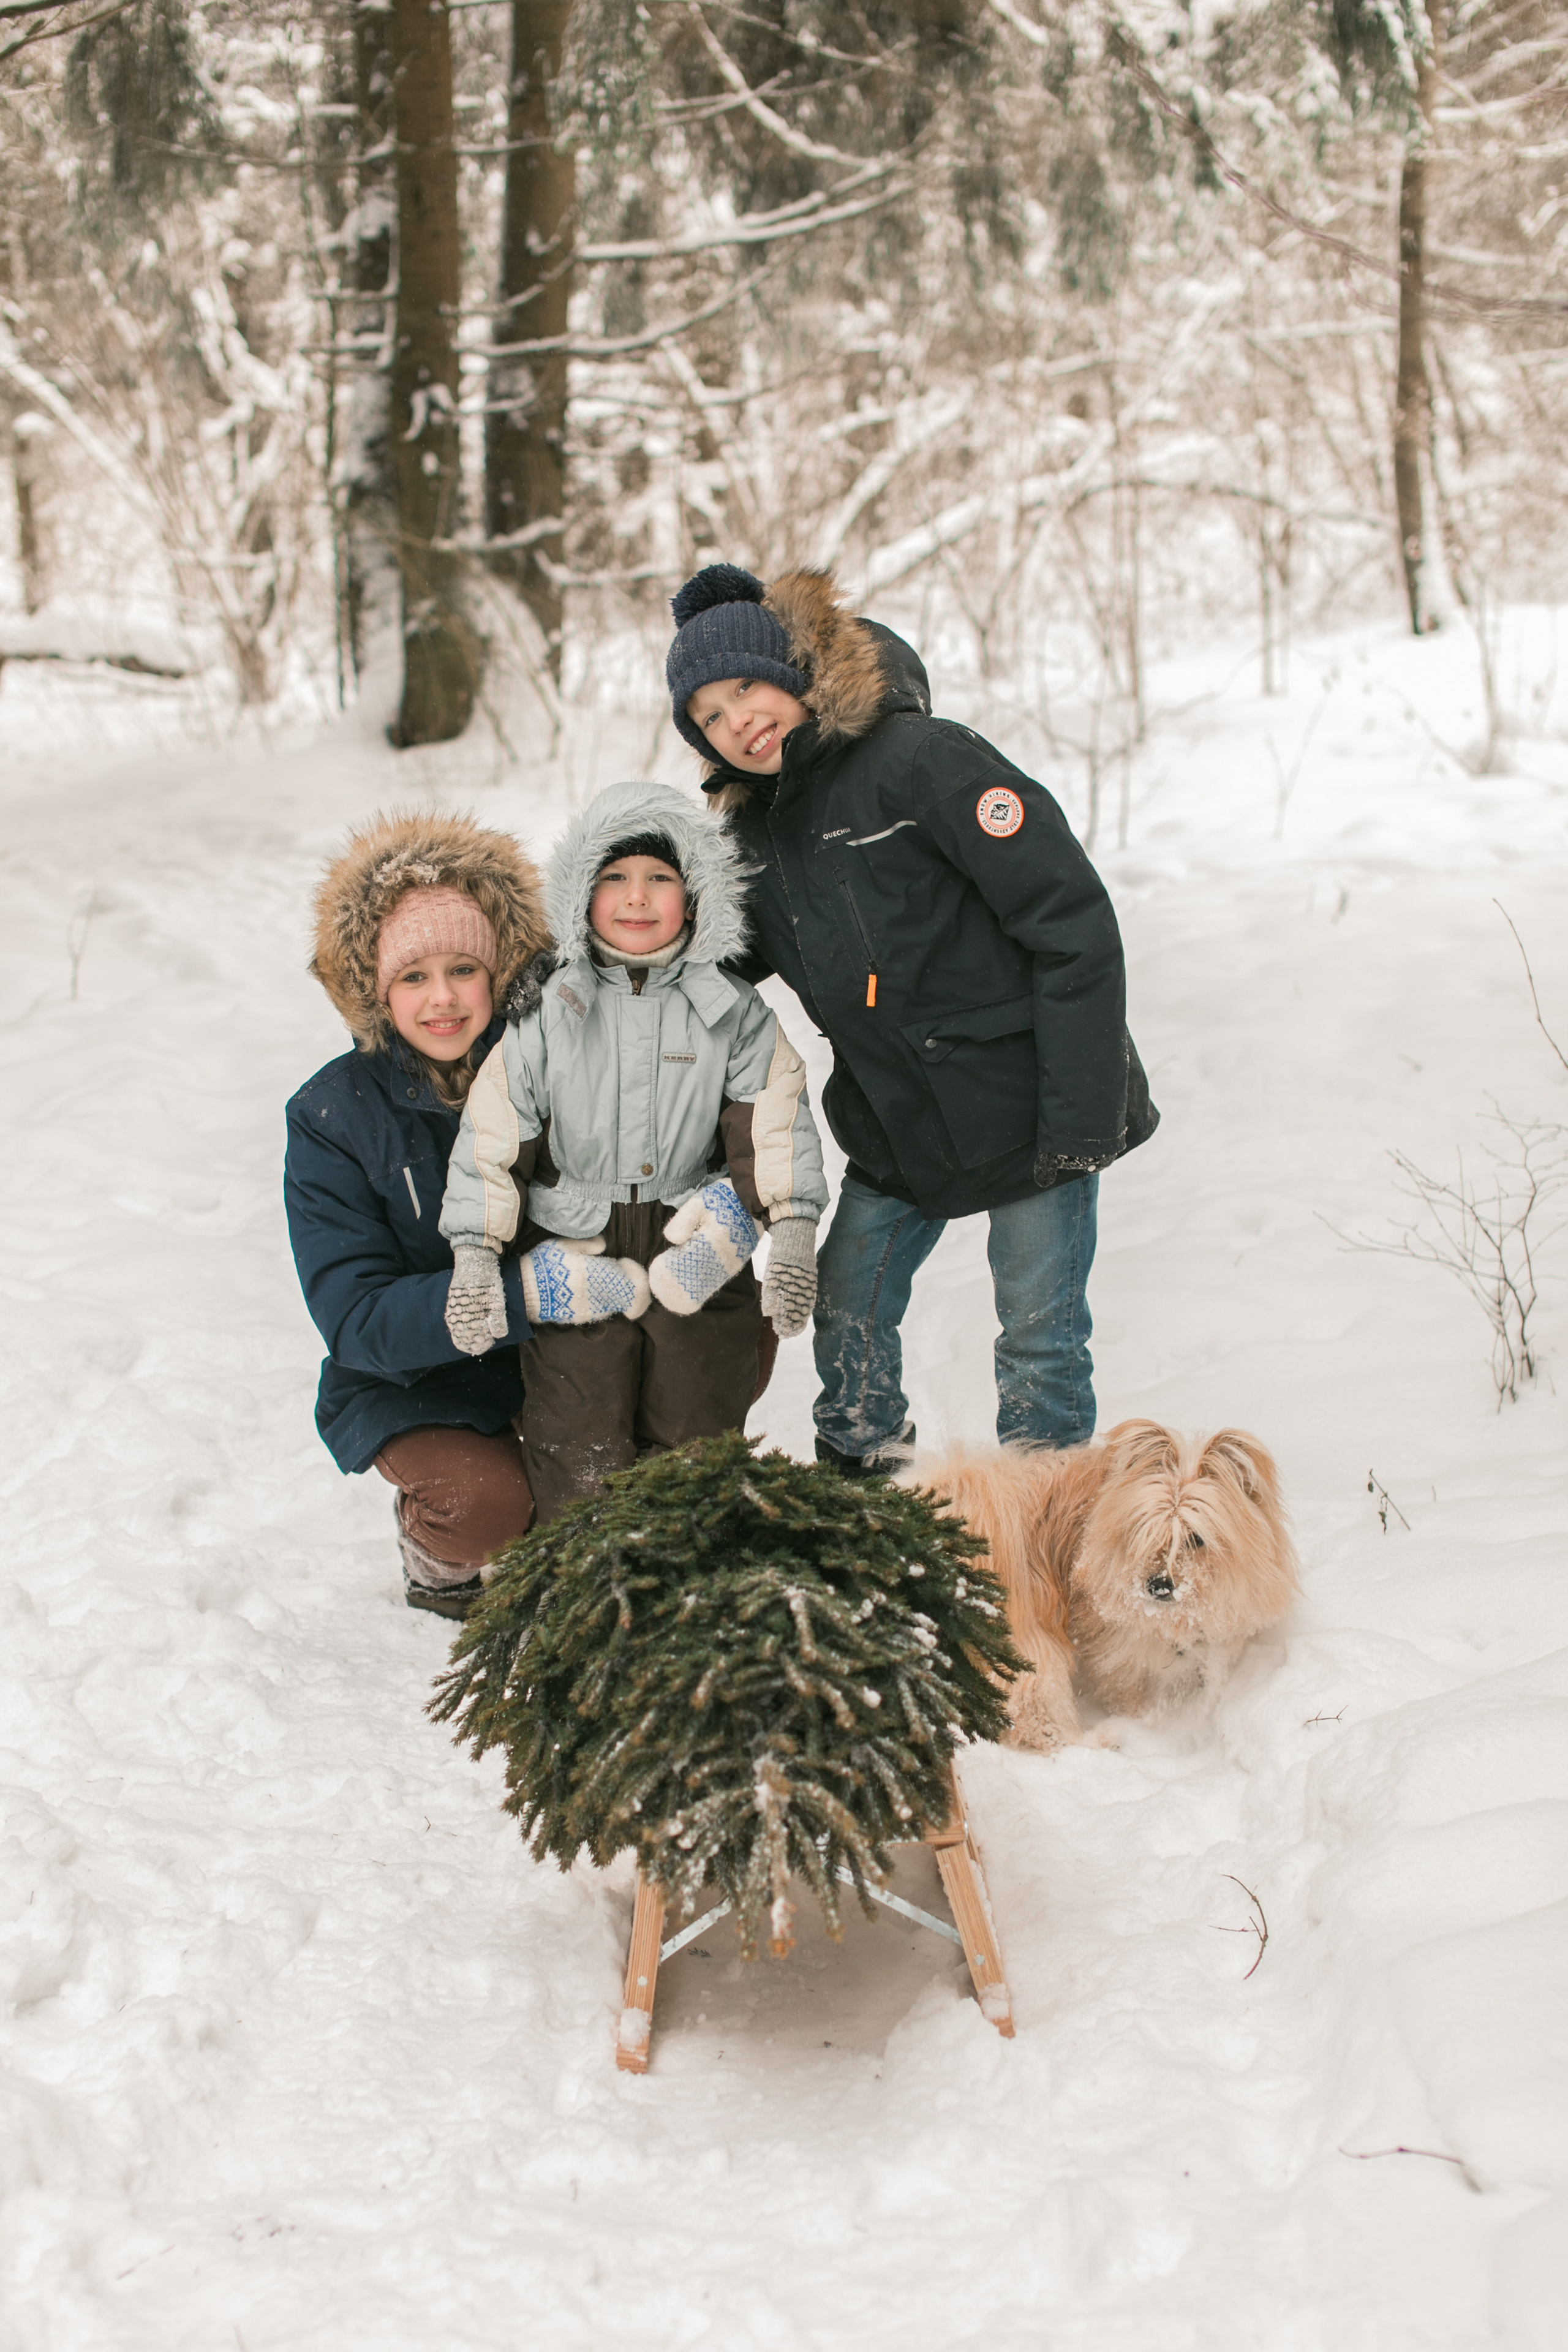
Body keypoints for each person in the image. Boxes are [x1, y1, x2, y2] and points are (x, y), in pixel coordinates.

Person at [664, 562, 1158, 1472]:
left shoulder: (924, 762)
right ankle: (864, 1485)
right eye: (708, 716)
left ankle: (1044, 1515)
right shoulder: (750, 839)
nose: (737, 718)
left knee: (1038, 1335)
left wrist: (1082, 1124)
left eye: (745, 686)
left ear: (798, 665)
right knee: (849, 1303)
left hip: (1032, 1111)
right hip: (901, 1128)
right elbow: (709, 966)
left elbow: (1073, 927)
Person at [439, 779, 829, 1523]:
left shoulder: (730, 1010)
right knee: (575, 1430)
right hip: (575, 1243)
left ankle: (687, 1587)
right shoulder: (550, 1009)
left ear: (698, 895)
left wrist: (793, 1230)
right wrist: (474, 1255)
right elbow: (492, 1136)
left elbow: (775, 1118)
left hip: (694, 1238)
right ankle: (581, 1587)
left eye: (660, 879)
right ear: (581, 895)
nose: (637, 898)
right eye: (614, 879)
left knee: (698, 1419)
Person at [285, 811, 549, 1618]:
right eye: (412, 977)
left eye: (463, 969)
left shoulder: (551, 1070)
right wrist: (527, 1296)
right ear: (376, 990)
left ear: (498, 974)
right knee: (488, 1506)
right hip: (416, 1376)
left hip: (555, 1359)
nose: (442, 999)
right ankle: (436, 1555)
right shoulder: (331, 1114)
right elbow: (356, 1317)